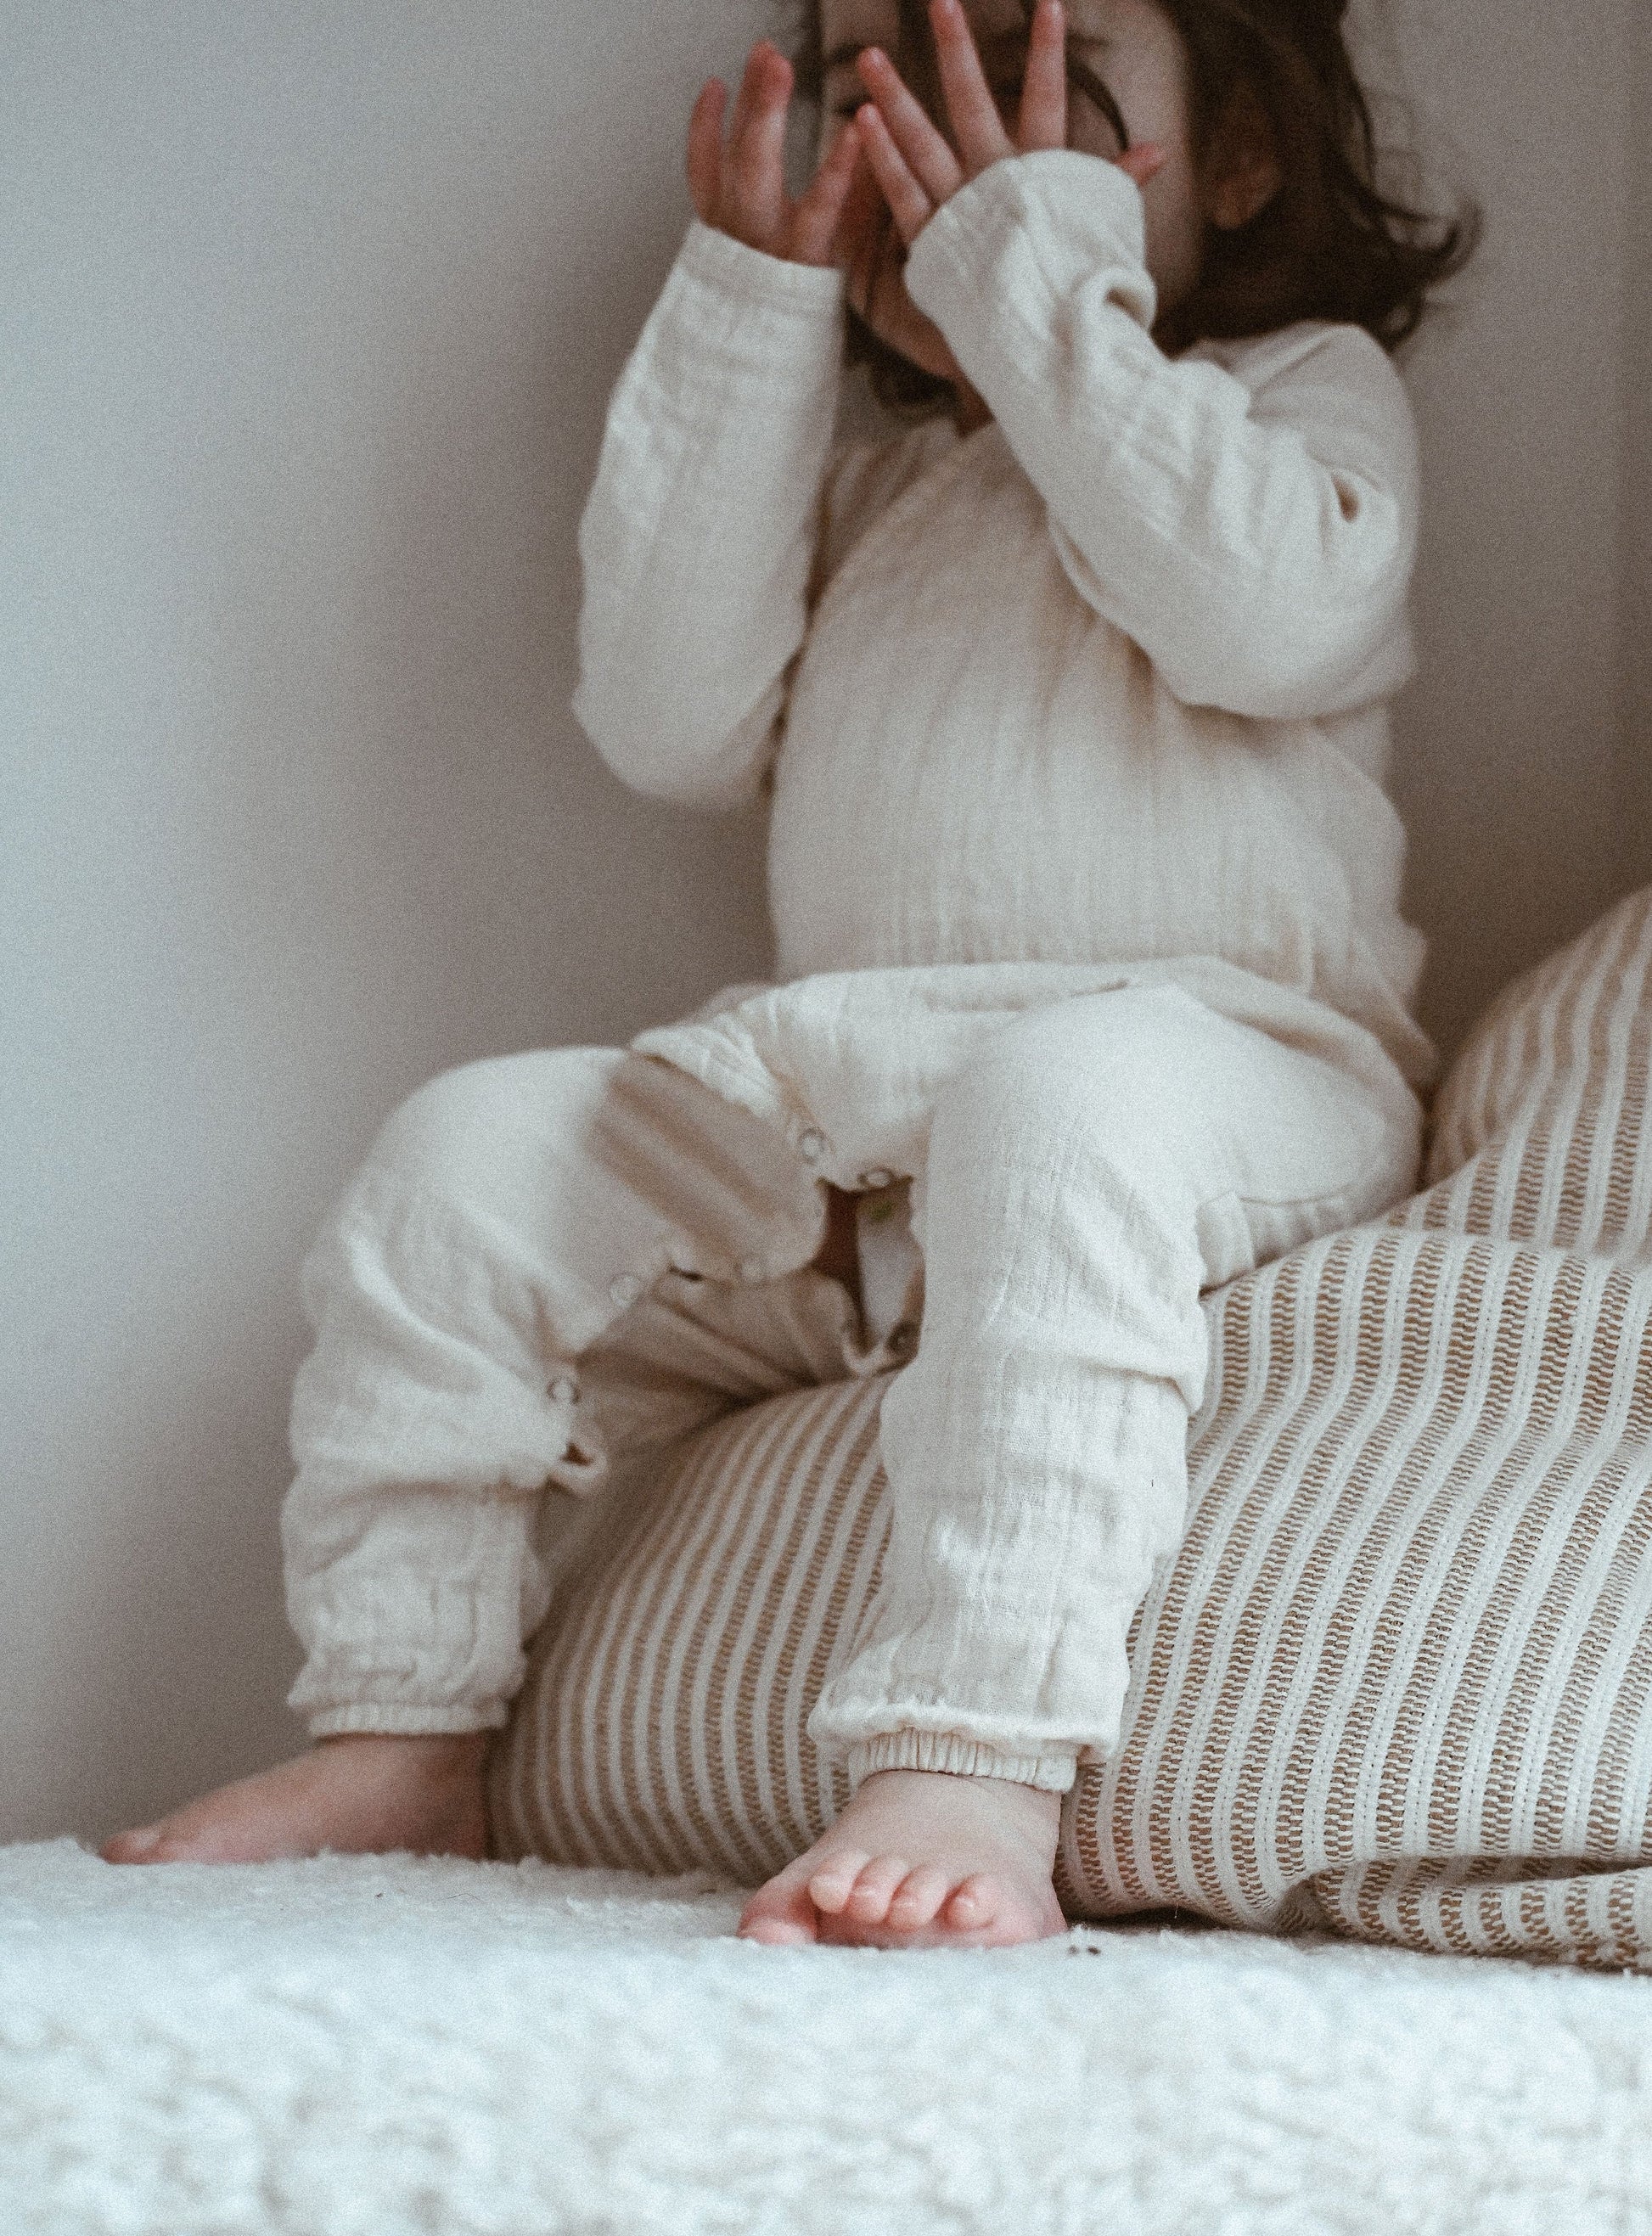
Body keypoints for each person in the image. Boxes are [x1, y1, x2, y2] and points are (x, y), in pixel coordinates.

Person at [103, 0, 1476, 1947]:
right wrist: (754, 300)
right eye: (882, 100)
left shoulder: (1297, 391)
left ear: (1240, 155)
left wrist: (1032, 280)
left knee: (1059, 1100)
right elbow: (663, 713)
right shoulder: (873, 481)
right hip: (853, 1116)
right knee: (462, 1155)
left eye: (1035, 93)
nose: (946, 165)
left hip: (1223, 1066)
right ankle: (406, 1720)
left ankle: (970, 1754)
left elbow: (1261, 611)